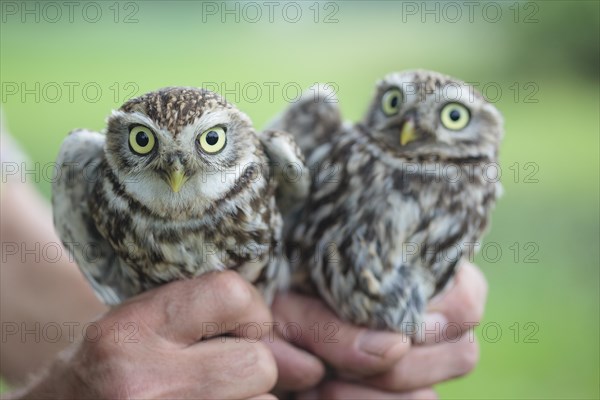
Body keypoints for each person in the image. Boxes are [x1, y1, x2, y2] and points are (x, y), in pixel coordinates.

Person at [0, 125, 487, 399]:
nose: (176, 169)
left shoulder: (273, 159)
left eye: (209, 142)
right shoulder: (93, 168)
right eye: (144, 144)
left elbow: (11, 262)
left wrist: (318, 314)